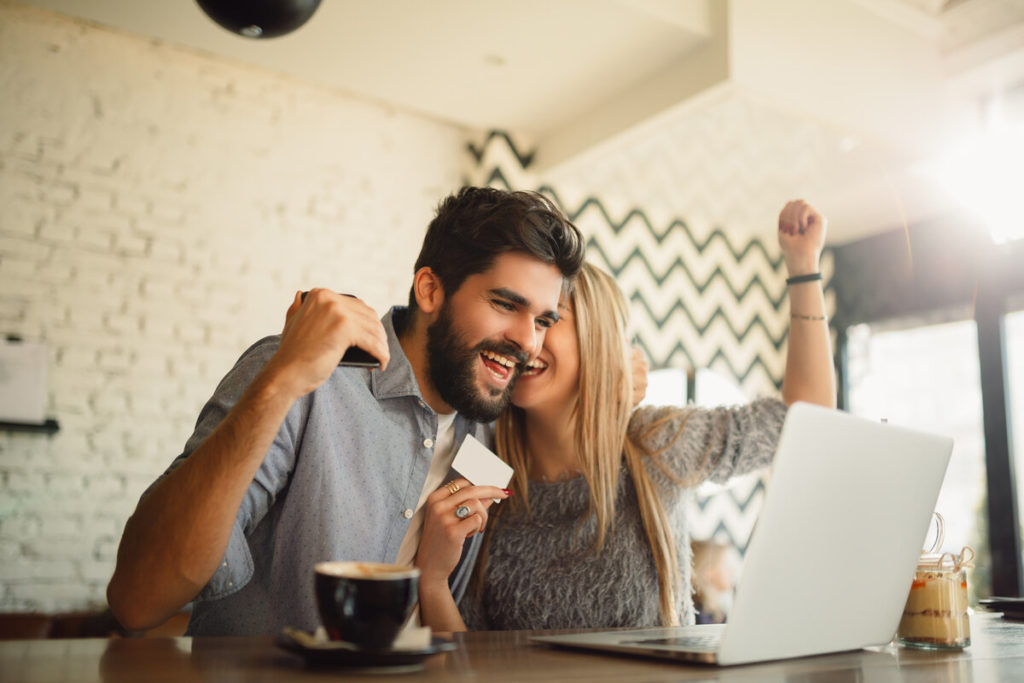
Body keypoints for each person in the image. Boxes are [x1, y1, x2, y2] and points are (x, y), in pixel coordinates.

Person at [105, 187, 586, 636]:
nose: (528, 341)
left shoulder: (487, 429)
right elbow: (138, 598)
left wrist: (615, 378)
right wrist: (282, 379)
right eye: (505, 304)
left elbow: (583, 406)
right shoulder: (305, 379)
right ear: (430, 290)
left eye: (544, 320)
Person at [414, 199, 836, 631]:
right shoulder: (481, 462)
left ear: (597, 337)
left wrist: (803, 266)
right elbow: (466, 658)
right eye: (512, 310)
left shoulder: (654, 443)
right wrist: (431, 582)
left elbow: (805, 422)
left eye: (548, 319)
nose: (526, 340)